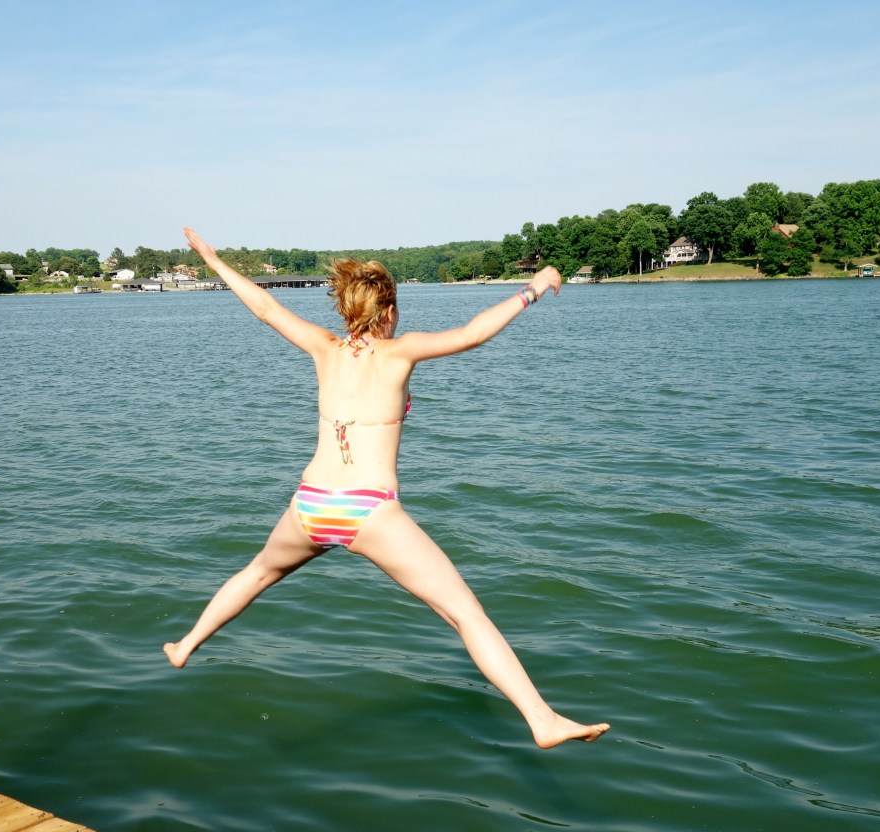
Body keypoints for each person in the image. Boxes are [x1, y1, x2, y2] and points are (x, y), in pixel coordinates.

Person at [164, 227, 609, 750]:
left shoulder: (323, 348)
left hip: (311, 503)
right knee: (465, 614)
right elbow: (472, 333)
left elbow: (263, 307)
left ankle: (186, 643)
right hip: (369, 511)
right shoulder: (401, 352)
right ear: (389, 309)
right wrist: (531, 288)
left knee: (259, 572)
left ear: (347, 309)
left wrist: (215, 261)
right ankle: (541, 719)